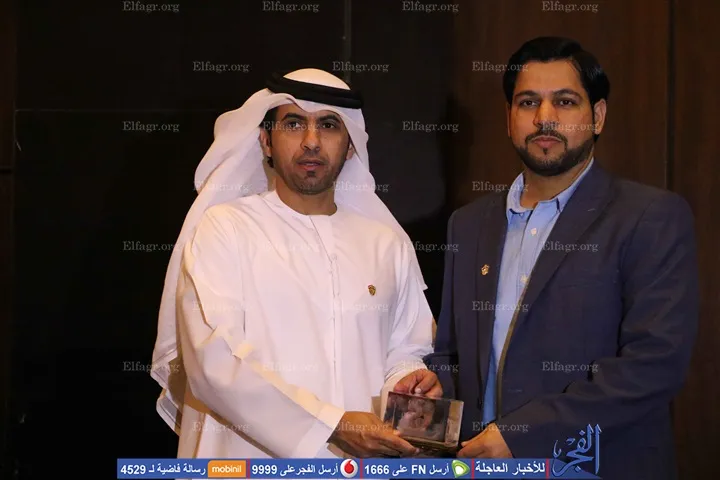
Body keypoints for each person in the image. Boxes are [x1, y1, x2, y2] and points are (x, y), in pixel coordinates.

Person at [426, 37, 698, 480]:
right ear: (509, 119)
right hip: (477, 466)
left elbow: (654, 364)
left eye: (565, 102)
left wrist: (522, 436)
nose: (544, 118)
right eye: (528, 102)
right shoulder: (468, 224)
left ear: (598, 116)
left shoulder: (649, 217)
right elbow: (454, 354)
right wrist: (434, 383)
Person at [149, 68, 442, 463]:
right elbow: (214, 363)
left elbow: (404, 349)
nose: (311, 141)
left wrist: (408, 380)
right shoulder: (224, 229)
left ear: (350, 146)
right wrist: (331, 425)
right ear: (266, 141)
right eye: (293, 124)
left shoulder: (387, 244)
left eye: (328, 125)